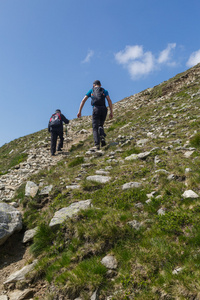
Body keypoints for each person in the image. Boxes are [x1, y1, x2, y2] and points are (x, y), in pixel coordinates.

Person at [77, 80, 113, 149]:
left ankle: (97, 144)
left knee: (95, 127)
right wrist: (111, 111)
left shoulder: (91, 90)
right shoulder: (104, 91)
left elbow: (83, 100)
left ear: (94, 85)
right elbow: (109, 100)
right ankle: (102, 136)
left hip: (96, 109)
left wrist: (79, 111)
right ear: (100, 85)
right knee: (100, 125)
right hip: (104, 109)